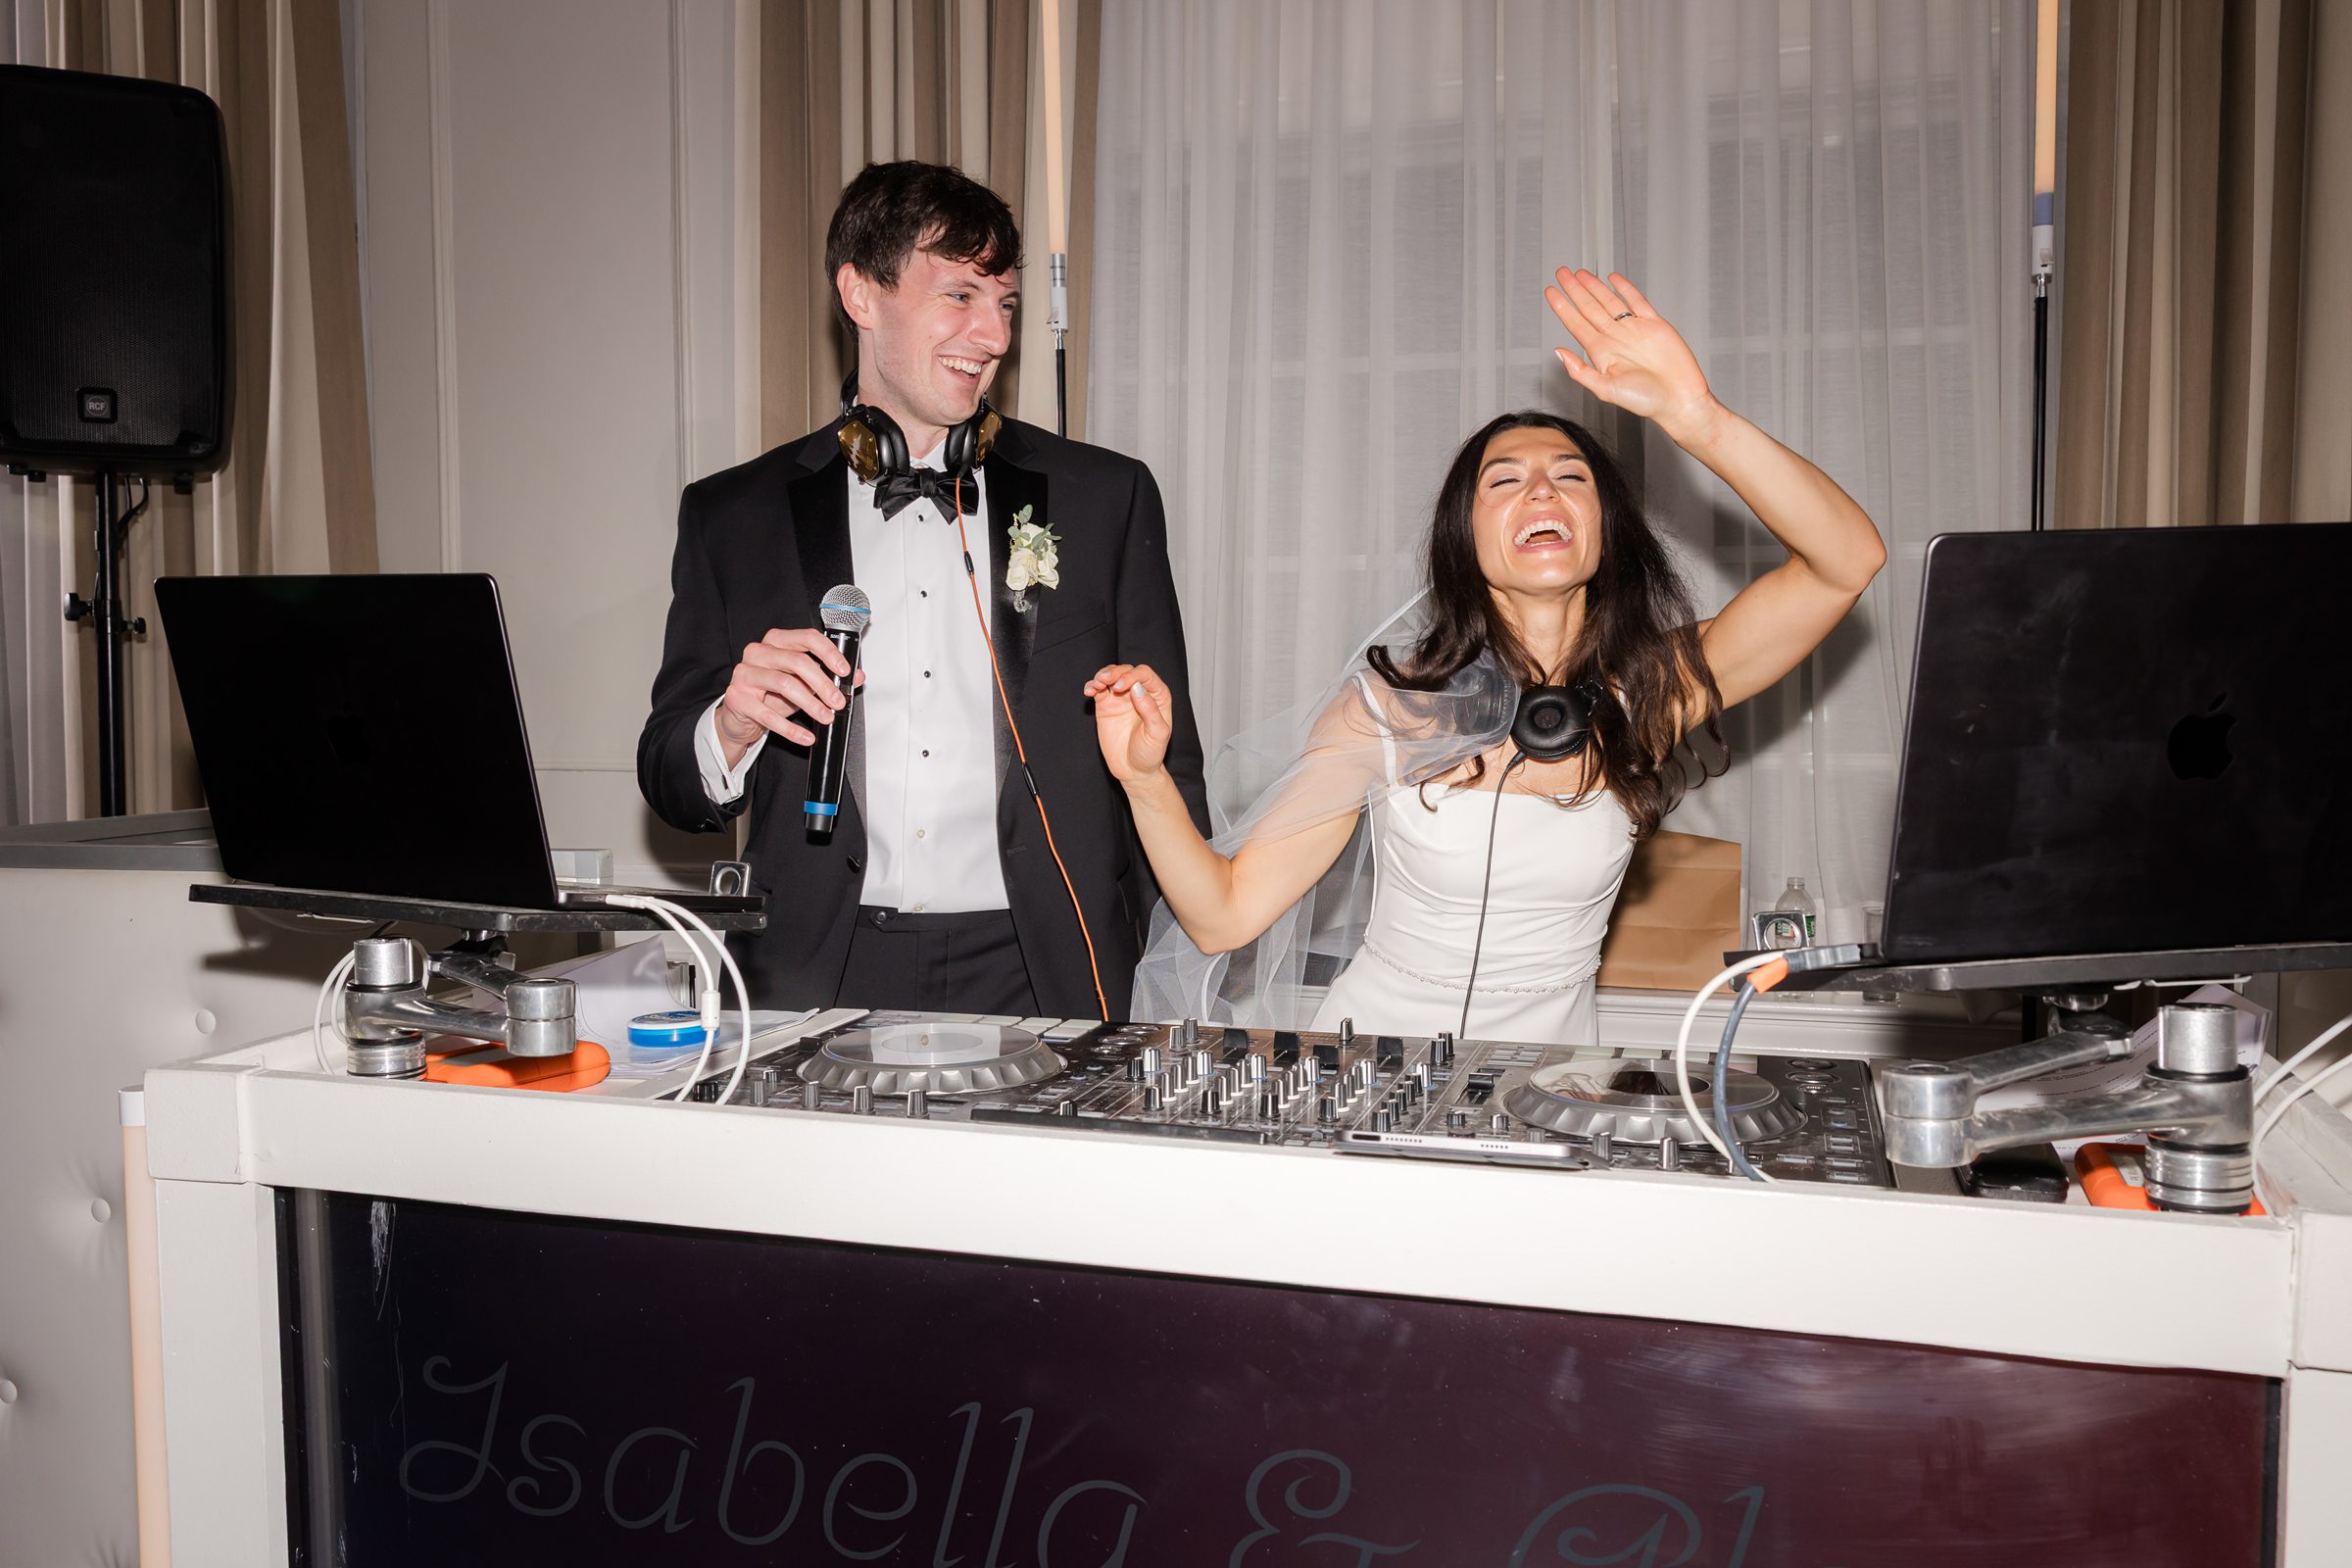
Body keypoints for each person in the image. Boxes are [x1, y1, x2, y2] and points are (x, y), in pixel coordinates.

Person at [1088, 269, 1886, 1042]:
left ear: (1605, 531)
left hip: (1555, 1097)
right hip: (1377, 1071)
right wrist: (1145, 779)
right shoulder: (1390, 710)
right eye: (1505, 483)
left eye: (1570, 477)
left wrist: (1697, 416)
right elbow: (1223, 913)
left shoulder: (1654, 691)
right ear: (1464, 540)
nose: (1543, 492)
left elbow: (1845, 561)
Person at [639, 161, 1207, 1017]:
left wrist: (1172, 964)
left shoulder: (1106, 498)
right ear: (862, 295)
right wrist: (730, 722)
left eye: (1005, 304)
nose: (994, 336)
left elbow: (1174, 765)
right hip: (817, 968)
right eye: (959, 297)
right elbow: (671, 781)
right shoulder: (733, 513)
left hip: (1050, 965)